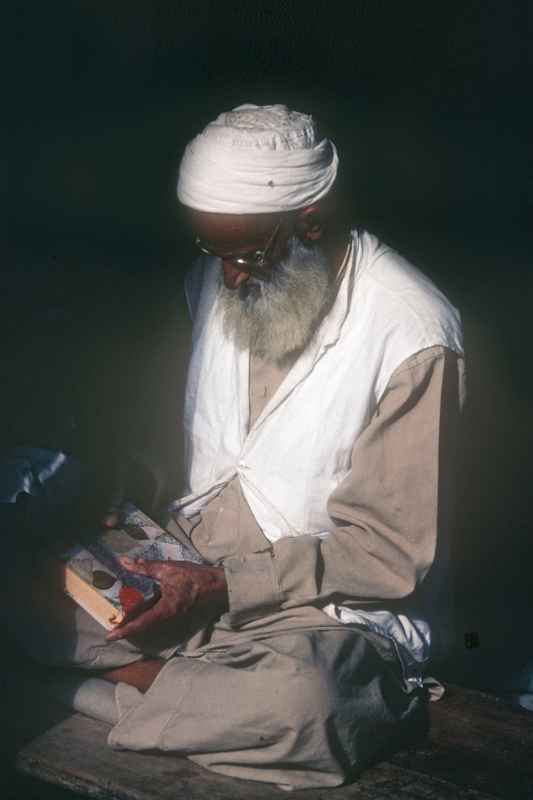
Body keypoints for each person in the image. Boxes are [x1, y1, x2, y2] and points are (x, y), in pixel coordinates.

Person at [10, 104, 465, 790]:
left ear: (310, 223)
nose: (228, 279)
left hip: (321, 610)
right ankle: (177, 694)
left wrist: (223, 587)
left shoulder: (414, 334)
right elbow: (204, 438)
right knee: (19, 590)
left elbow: (390, 555)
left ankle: (111, 689)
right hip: (188, 555)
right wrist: (130, 491)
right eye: (212, 254)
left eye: (246, 254)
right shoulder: (226, 277)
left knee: (304, 706)